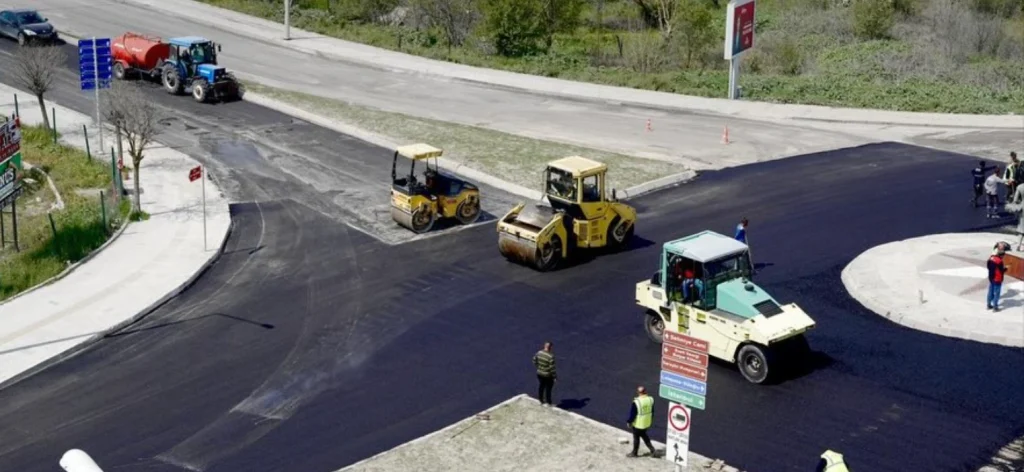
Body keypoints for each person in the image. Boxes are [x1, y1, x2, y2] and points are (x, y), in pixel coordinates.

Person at [625, 386, 656, 458]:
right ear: (645, 391)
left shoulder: (636, 402)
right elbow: (652, 411)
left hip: (638, 424)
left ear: (638, 393)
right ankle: (653, 450)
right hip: (647, 422)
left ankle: (634, 453)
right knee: (644, 435)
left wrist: (629, 422)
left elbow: (633, 414)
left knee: (636, 438)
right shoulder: (650, 399)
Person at [987, 243, 1010, 311]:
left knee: (990, 291)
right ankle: (995, 307)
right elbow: (1001, 270)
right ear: (1002, 255)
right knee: (997, 293)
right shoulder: (999, 261)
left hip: (991, 278)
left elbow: (988, 266)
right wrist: (1006, 268)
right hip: (997, 279)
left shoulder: (991, 258)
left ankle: (988, 305)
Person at [532, 342, 556, 406]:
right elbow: (552, 368)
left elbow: (534, 360)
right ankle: (548, 402)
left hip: (539, 373)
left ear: (544, 346)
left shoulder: (539, 352)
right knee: (548, 388)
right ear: (550, 347)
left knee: (541, 386)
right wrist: (554, 377)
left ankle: (541, 400)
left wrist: (539, 367)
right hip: (547, 375)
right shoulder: (550, 356)